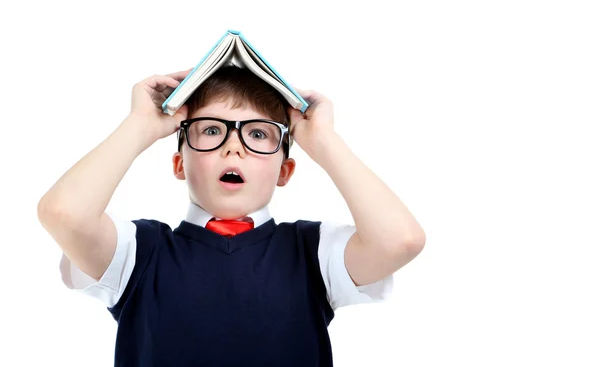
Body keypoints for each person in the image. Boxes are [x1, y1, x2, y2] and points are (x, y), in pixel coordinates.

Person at [37, 65, 426, 366]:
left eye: (258, 134)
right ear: (179, 164)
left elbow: (400, 240)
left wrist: (324, 141)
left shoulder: (313, 253)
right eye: (210, 131)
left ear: (285, 171)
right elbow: (64, 213)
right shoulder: (137, 253)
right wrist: (139, 125)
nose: (233, 148)